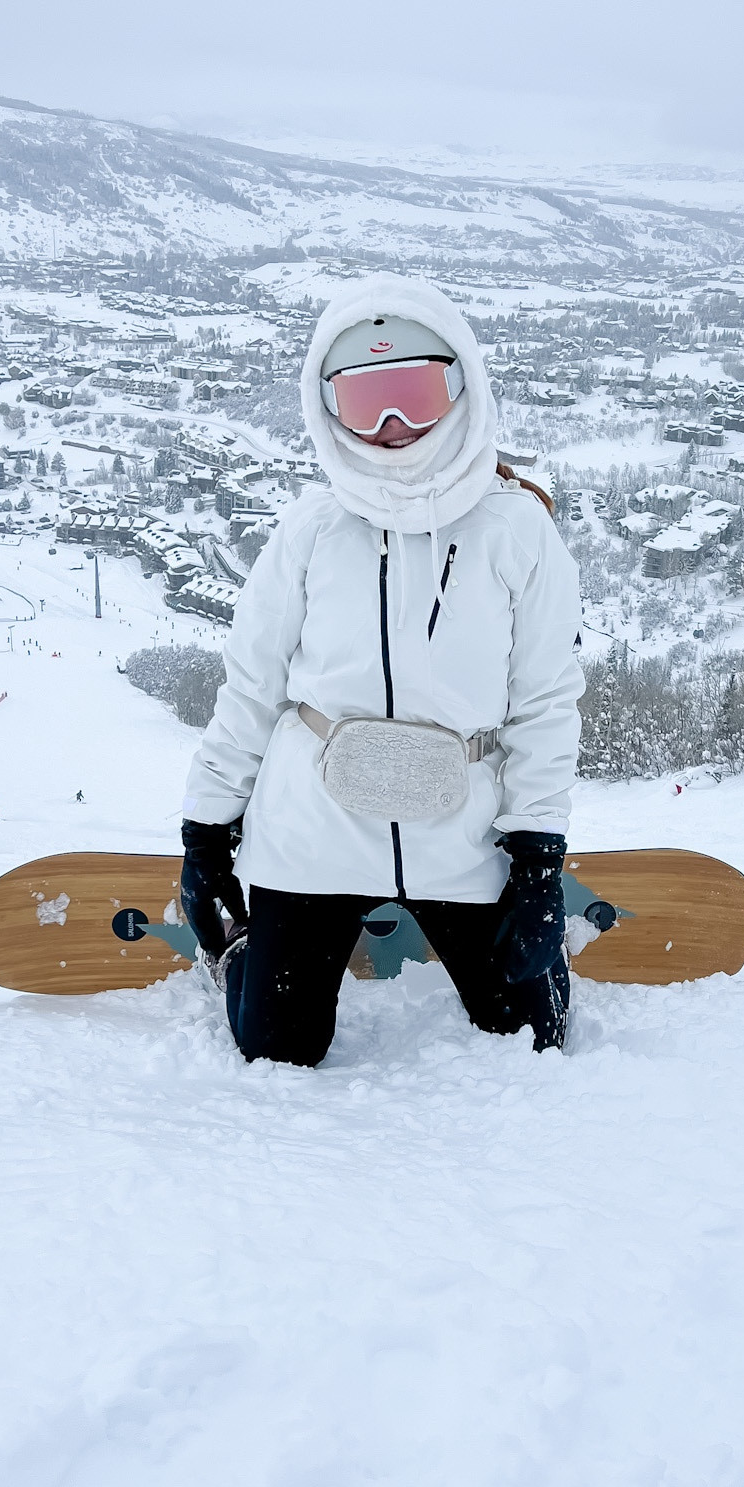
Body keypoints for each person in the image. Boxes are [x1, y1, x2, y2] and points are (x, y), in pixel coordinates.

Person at [180, 275, 583, 1068]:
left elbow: (544, 703)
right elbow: (252, 686)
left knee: (535, 1034)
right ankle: (246, 954)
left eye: (415, 394)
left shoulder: (517, 532)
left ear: (462, 388)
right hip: (314, 829)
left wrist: (537, 859)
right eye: (366, 404)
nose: (393, 426)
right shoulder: (311, 530)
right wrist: (206, 831)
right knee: (277, 1048)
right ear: (327, 408)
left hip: (460, 827)